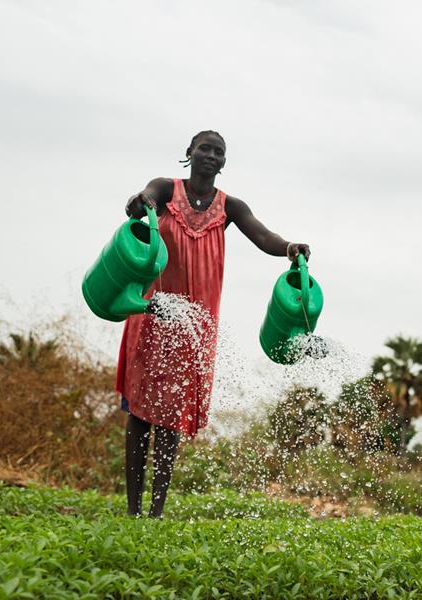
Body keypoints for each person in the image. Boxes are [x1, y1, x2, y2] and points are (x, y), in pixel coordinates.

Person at [117, 130, 310, 517]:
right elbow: (143, 202)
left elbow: (263, 236)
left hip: (194, 324)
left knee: (170, 417)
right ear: (189, 153)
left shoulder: (230, 207)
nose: (210, 155)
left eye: (218, 152)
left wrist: (290, 248)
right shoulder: (166, 189)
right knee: (140, 414)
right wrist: (140, 204)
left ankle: (156, 511)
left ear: (224, 162)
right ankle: (133, 510)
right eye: (204, 148)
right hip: (154, 311)